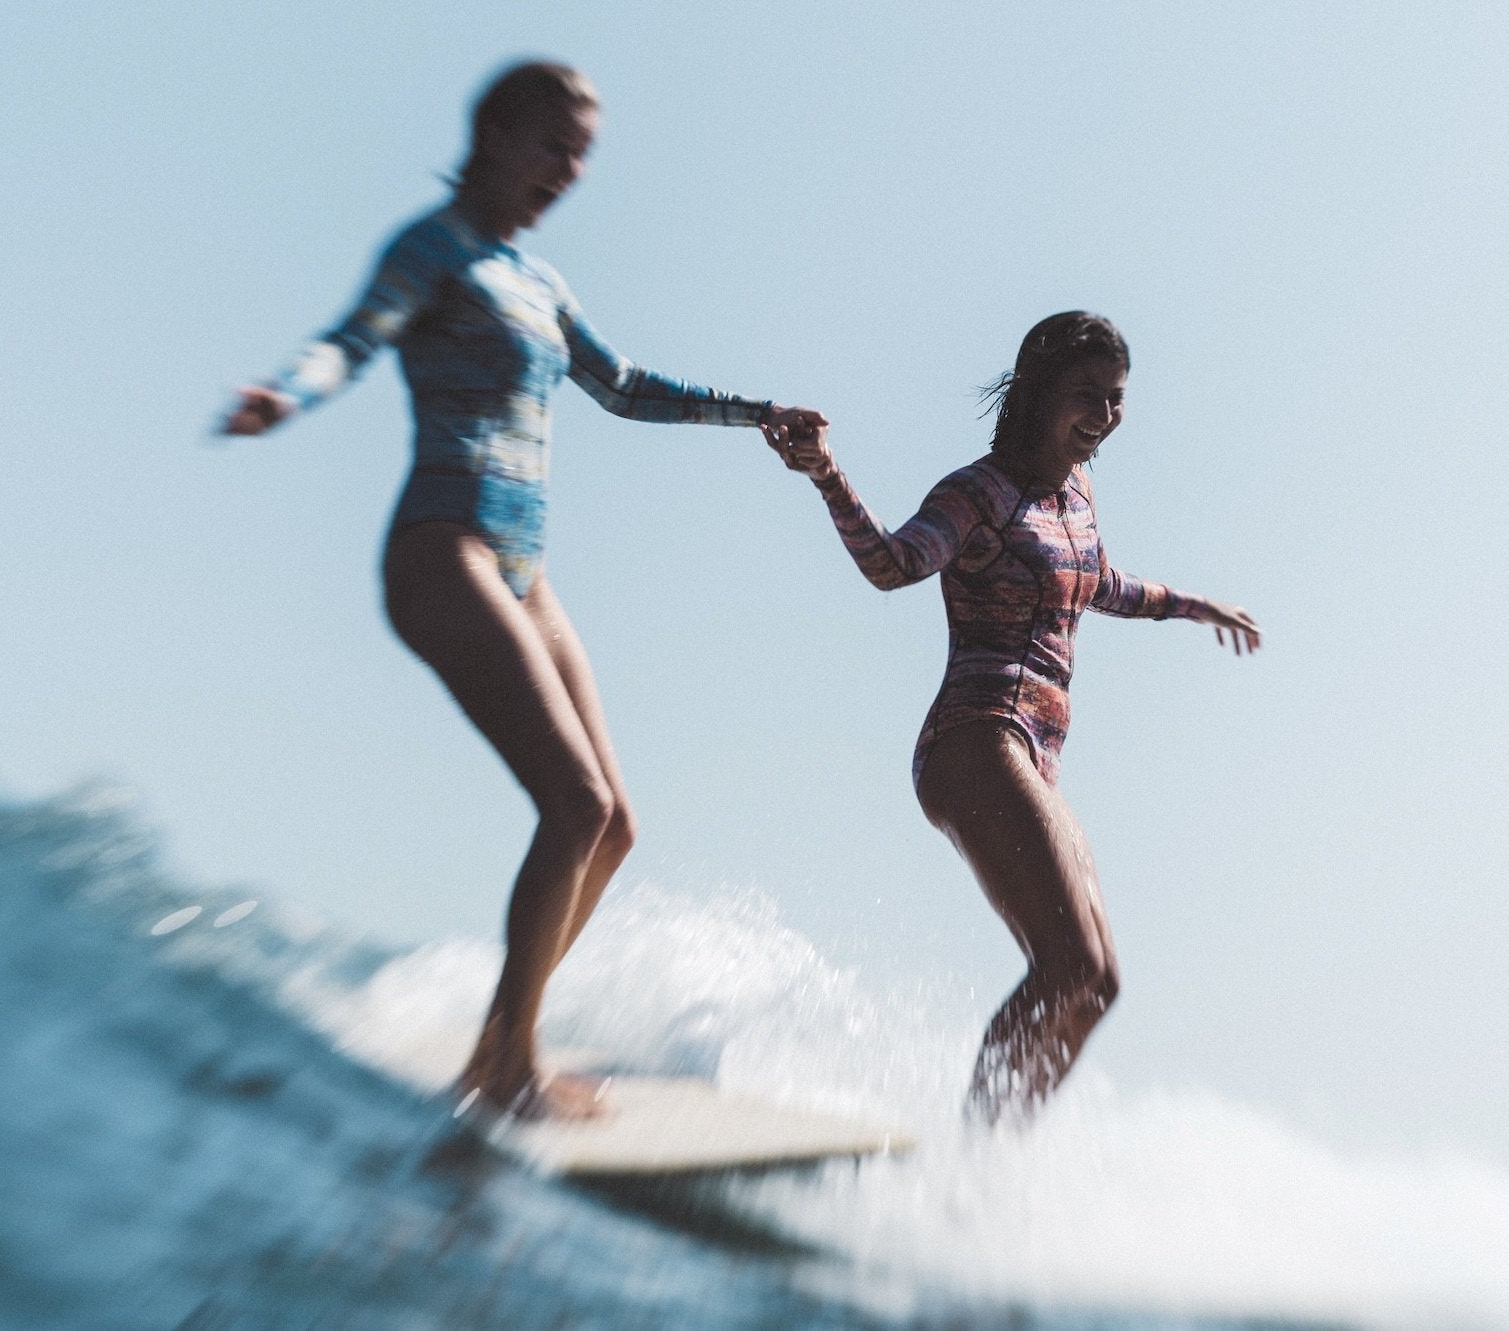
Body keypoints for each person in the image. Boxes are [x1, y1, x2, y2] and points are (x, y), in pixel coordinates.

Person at [219, 61, 823, 1119]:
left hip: (525, 571)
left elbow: (620, 386)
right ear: (493, 134)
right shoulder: (431, 249)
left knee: (614, 824)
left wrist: (756, 412)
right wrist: (284, 393)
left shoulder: (538, 282)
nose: (569, 170)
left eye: (582, 153)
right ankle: (511, 1067)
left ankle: (499, 1047)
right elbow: (351, 340)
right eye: (554, 144)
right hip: (442, 549)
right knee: (572, 801)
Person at [780, 311, 1258, 1123]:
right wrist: (828, 474)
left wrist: (1191, 603)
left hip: (1037, 753)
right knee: (1066, 964)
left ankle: (995, 1163)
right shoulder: (978, 493)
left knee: (1097, 981)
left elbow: (1101, 582)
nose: (1104, 415)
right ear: (1038, 391)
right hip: (975, 736)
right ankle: (971, 1157)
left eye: (1116, 398)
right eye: (1086, 394)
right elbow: (894, 564)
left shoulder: (1078, 497)